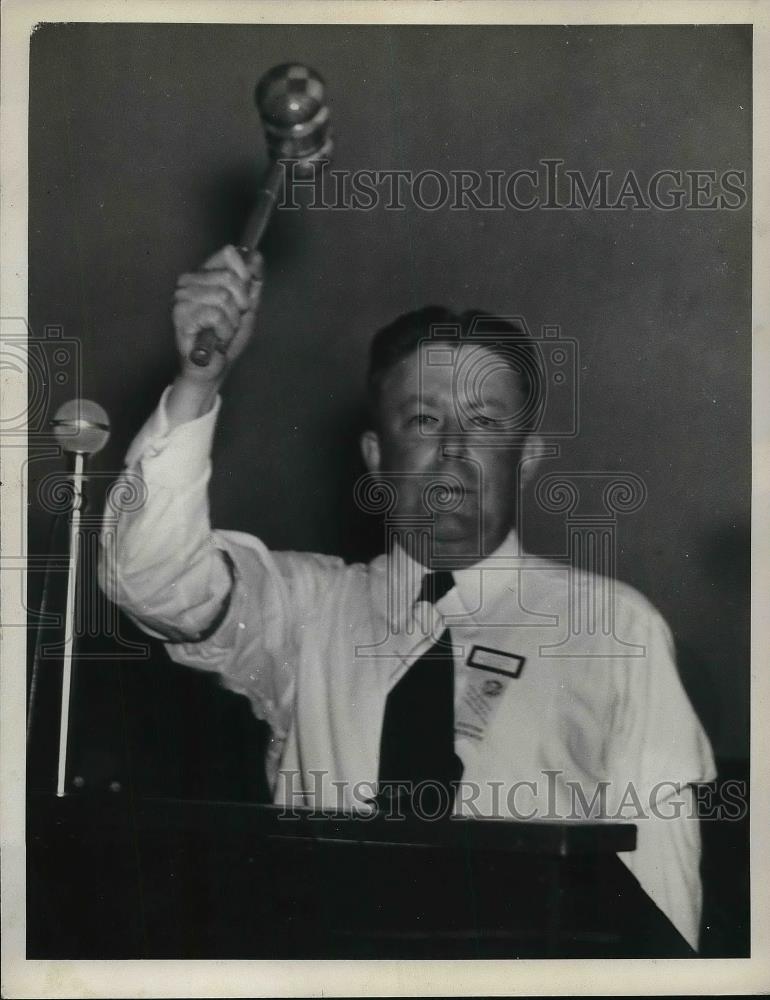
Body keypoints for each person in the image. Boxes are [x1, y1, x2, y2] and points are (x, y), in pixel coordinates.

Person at [99, 245, 716, 952]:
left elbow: (661, 886)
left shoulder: (614, 628)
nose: (453, 450)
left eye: (485, 424)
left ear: (530, 455)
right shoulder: (307, 611)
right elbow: (148, 577)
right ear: (373, 456)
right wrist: (198, 382)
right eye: (423, 421)